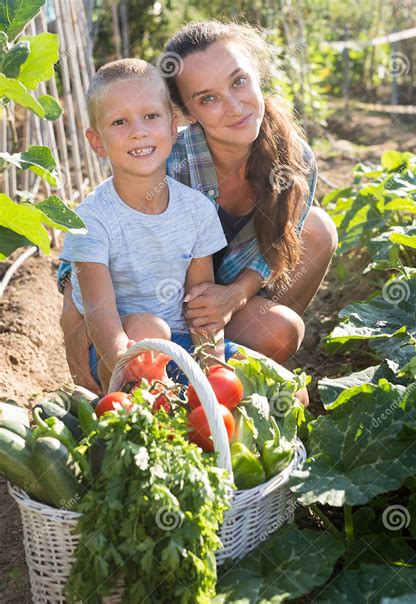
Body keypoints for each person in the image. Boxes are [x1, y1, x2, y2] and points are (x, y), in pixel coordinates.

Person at [58, 21, 338, 394]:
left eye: (238, 81)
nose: (234, 106)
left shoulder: (293, 160)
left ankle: (220, 387)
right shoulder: (163, 159)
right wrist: (72, 319)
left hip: (210, 305)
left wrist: (235, 296)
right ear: (185, 115)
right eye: (208, 98)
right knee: (149, 331)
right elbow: (95, 237)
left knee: (317, 236)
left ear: (257, 75)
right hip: (150, 314)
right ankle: (166, 389)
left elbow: (274, 251)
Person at [60, 58, 238, 391]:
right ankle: (150, 405)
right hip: (120, 355)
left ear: (173, 127)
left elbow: (200, 307)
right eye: (119, 122)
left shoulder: (198, 210)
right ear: (96, 141)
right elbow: (101, 318)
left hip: (183, 346)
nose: (139, 130)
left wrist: (214, 376)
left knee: (285, 387)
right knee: (148, 328)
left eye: (151, 116)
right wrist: (121, 374)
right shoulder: (91, 219)